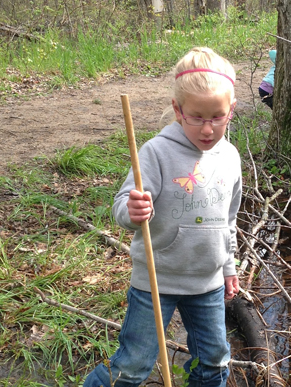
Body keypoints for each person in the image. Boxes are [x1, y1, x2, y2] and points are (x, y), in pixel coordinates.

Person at [83, 47, 242, 387]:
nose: (208, 128)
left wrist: (228, 267)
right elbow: (122, 203)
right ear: (177, 109)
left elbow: (230, 220)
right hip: (156, 282)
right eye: (196, 116)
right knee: (133, 367)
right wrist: (132, 209)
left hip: (208, 283)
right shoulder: (156, 151)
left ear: (232, 110)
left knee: (214, 363)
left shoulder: (230, 156)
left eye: (218, 116)